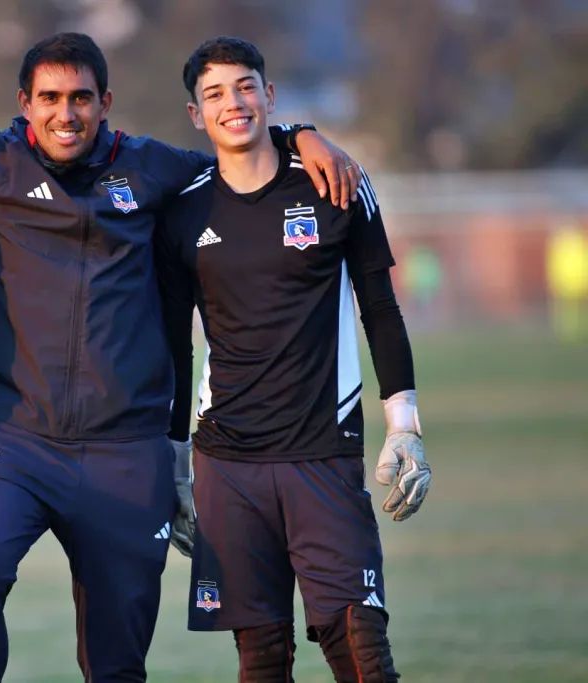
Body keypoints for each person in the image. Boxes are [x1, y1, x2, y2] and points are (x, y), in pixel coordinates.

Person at [0, 32, 361, 683]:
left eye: (81, 98)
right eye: (49, 98)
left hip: (124, 452)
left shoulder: (152, 168)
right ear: (25, 103)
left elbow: (237, 151)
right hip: (12, 443)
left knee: (116, 661)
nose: (65, 113)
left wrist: (298, 133)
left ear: (105, 102)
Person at [154, 37, 431, 683]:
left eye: (246, 86)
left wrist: (406, 426)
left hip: (323, 454)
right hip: (226, 462)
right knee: (263, 658)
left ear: (269, 95)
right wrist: (172, 462)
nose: (233, 103)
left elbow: (381, 310)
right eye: (215, 93)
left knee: (363, 653)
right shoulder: (183, 208)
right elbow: (175, 341)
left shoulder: (335, 183)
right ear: (196, 113)